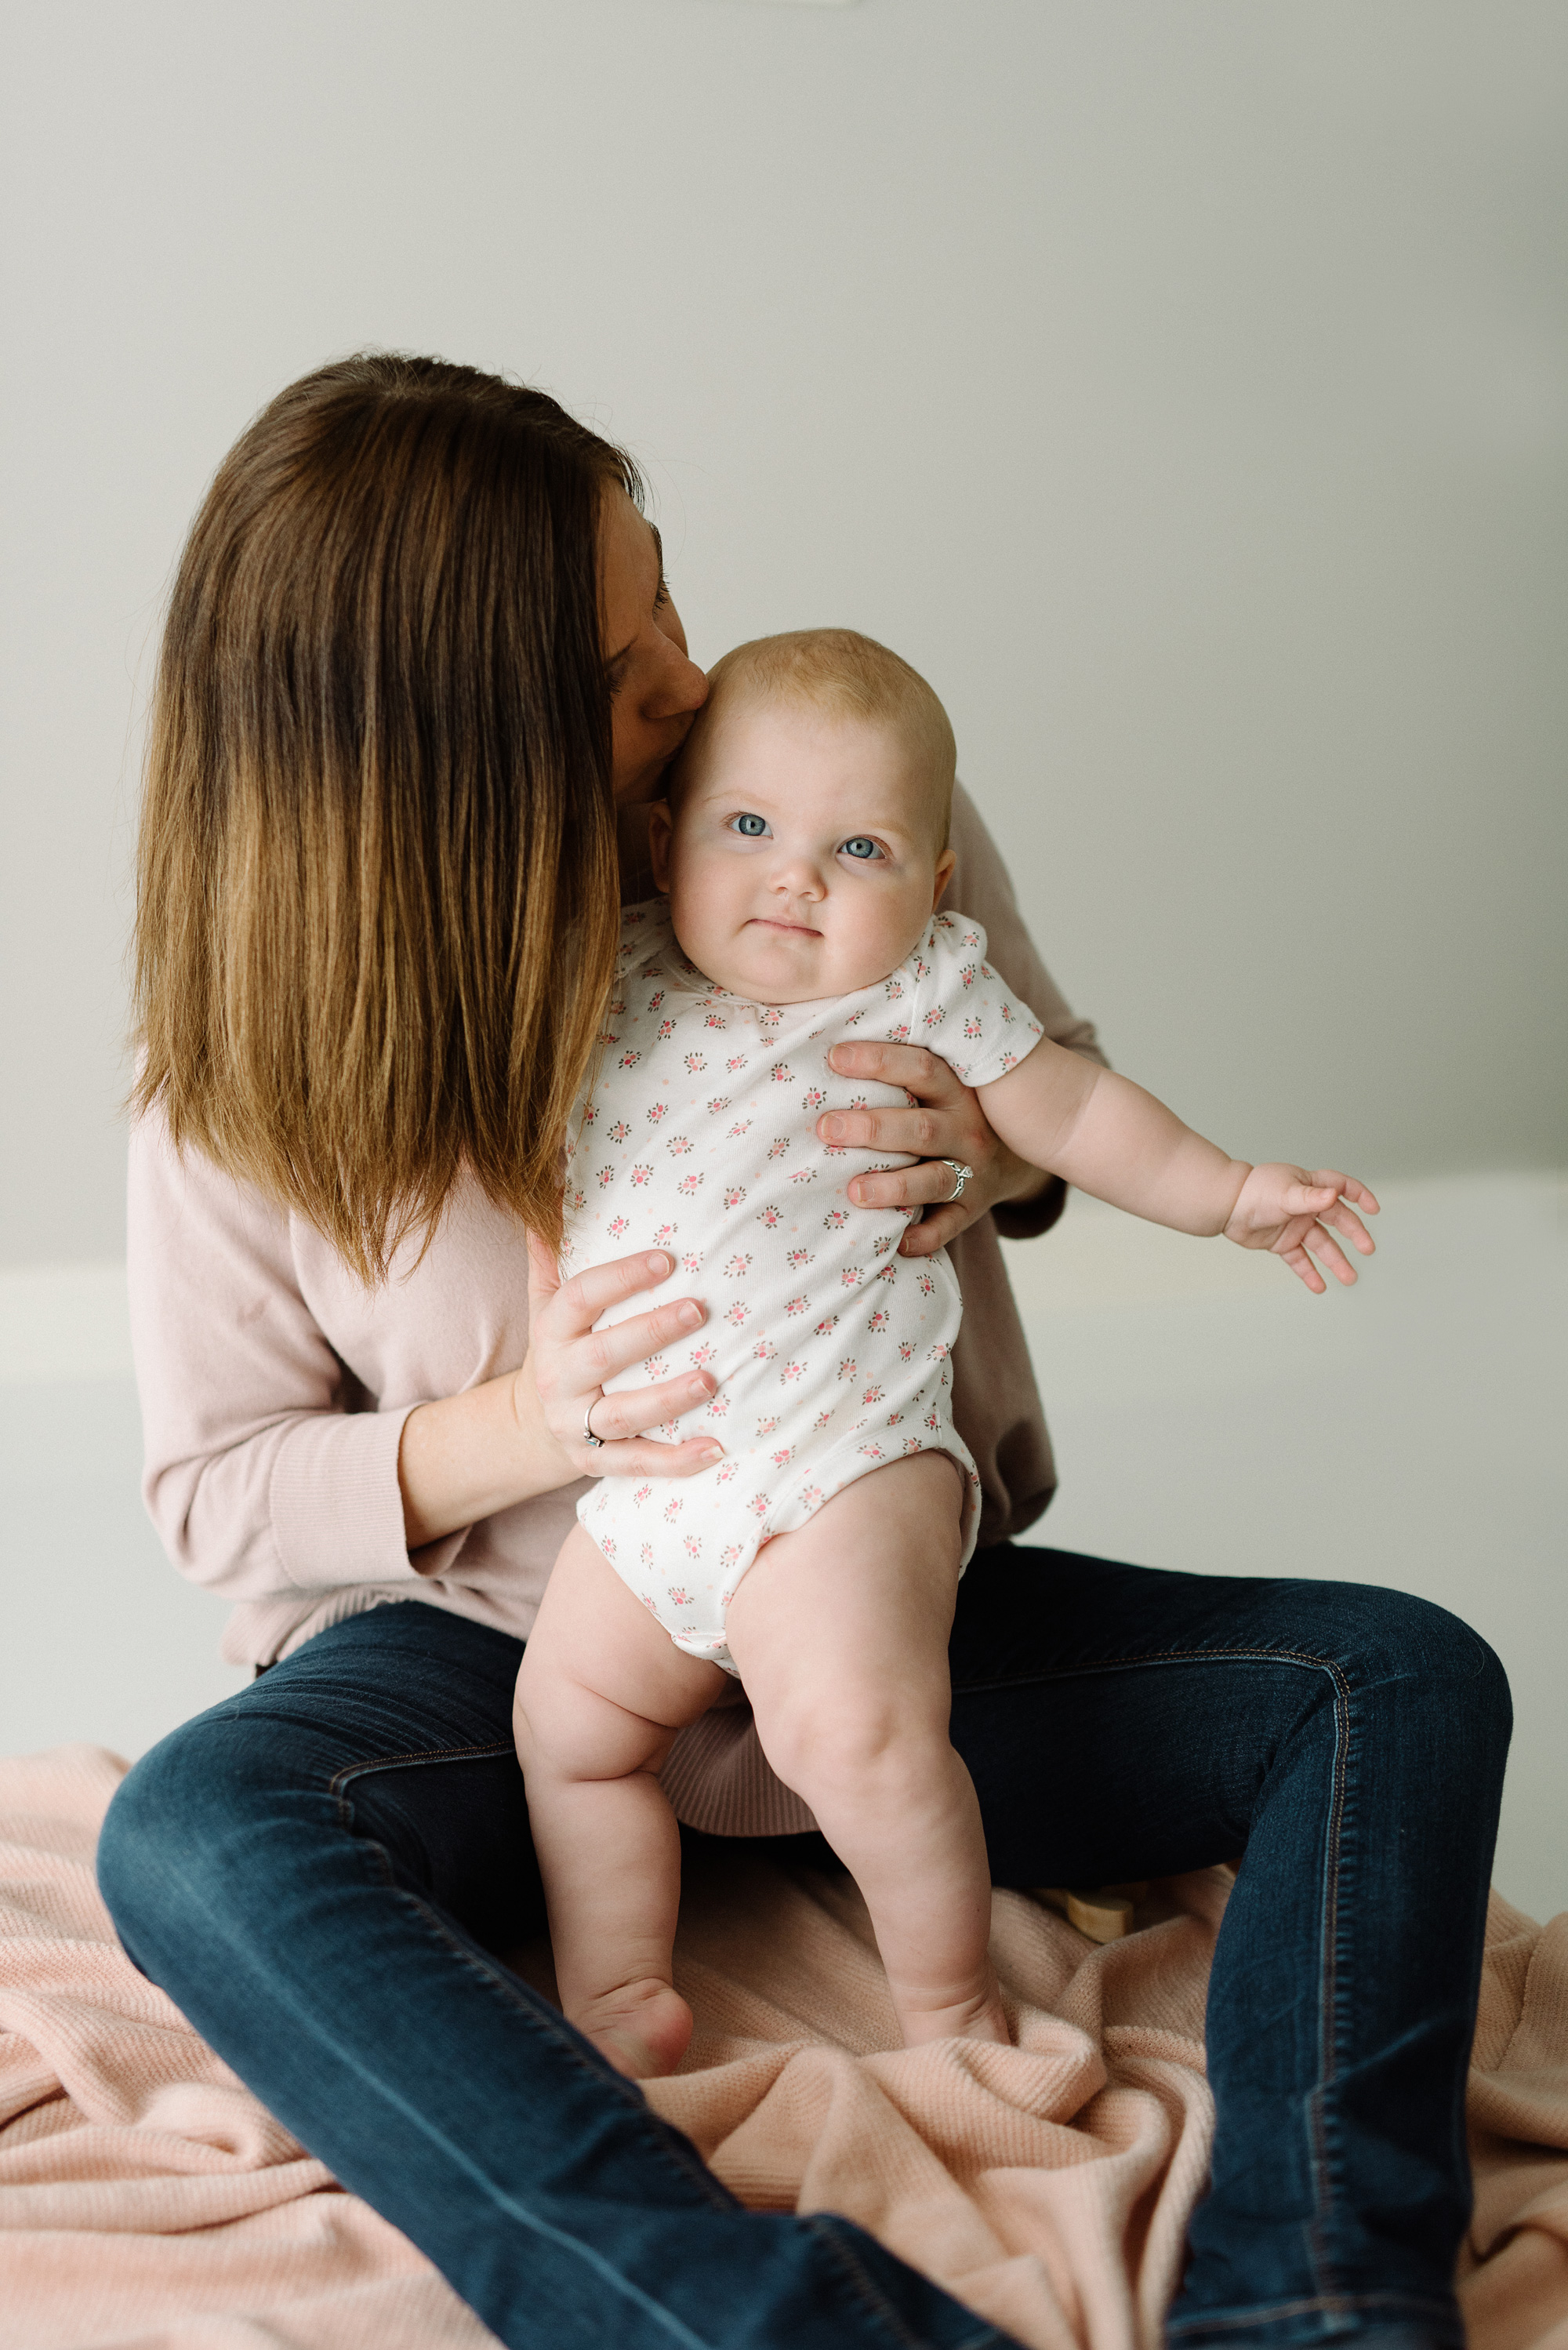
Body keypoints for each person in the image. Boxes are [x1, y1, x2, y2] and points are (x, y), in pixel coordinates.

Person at [96, 353, 1509, 2350]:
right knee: (191, 1835)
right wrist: (526, 1423)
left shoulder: (831, 801)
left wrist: (981, 1158)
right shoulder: (251, 1063)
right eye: (619, 667)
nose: (686, 678)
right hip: (511, 1664)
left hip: (863, 1598)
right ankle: (762, 2323)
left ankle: (1317, 2304)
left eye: (663, 594)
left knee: (1395, 1678)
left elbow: (1057, 1098)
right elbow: (218, 1495)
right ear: (454, 746)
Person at [516, 627, 1380, 2082]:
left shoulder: (923, 991)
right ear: (665, 844)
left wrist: (1228, 1194)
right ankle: (616, 1988)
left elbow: (1081, 1112)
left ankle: (946, 2006)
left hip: (843, 1466)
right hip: (656, 1483)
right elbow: (546, 1178)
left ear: (933, 886)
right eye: (750, 829)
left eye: (858, 848)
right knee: (570, 1725)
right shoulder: (610, 977)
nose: (796, 876)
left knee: (854, 1732)